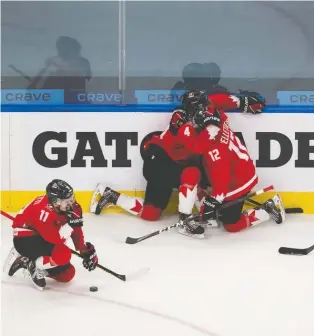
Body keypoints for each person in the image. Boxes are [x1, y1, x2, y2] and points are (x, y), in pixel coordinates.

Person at [91, 90, 265, 228]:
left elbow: (220, 100)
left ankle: (110, 195)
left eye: (206, 108)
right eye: (202, 110)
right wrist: (212, 125)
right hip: (161, 163)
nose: (206, 110)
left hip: (180, 160)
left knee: (157, 209)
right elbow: (200, 146)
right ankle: (186, 219)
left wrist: (242, 103)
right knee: (190, 176)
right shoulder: (186, 128)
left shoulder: (206, 112)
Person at [170, 90, 285, 238]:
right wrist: (240, 102)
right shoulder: (214, 111)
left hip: (236, 181)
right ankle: (205, 210)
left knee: (231, 224)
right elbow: (218, 99)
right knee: (193, 175)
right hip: (238, 164)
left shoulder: (214, 152)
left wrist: (213, 202)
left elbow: (220, 185)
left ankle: (268, 209)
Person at [4, 179, 98, 290]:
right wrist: (71, 225)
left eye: (71, 198)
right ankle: (32, 264)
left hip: (43, 234)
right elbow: (57, 239)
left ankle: (32, 262)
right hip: (25, 239)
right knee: (63, 253)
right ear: (55, 202)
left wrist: (83, 249)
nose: (71, 203)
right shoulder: (43, 212)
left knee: (67, 274)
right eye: (66, 201)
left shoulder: (70, 206)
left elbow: (76, 228)